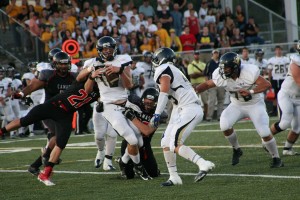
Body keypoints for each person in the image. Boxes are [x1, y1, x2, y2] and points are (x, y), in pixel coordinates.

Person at [1, 80, 99, 186]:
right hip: (52, 105)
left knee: (61, 143)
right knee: (25, 121)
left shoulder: (103, 90)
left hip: (66, 115)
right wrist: (22, 94)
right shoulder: (78, 78)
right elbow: (35, 84)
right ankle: (2, 131)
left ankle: (45, 173)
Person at [195, 52, 283, 168]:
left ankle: (276, 158)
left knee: (265, 133)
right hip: (236, 104)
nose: (223, 70)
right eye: (222, 67)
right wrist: (195, 91)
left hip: (254, 104)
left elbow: (266, 84)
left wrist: (251, 91)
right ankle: (237, 149)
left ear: (235, 67)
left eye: (226, 68)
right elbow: (207, 84)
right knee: (224, 125)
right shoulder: (221, 76)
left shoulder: (249, 72)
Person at [81, 36, 151, 180]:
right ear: (99, 50)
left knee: (140, 140)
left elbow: (129, 85)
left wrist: (120, 70)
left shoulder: (122, 60)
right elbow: (86, 90)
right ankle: (139, 167)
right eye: (105, 48)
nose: (108, 51)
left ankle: (123, 161)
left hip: (126, 103)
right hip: (109, 106)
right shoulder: (92, 63)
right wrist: (91, 76)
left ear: (115, 48)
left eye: (110, 48)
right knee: (131, 139)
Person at [150, 47, 215, 186]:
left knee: (175, 143)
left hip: (189, 107)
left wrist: (157, 113)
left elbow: (164, 90)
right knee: (165, 142)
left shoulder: (164, 68)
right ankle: (174, 177)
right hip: (179, 107)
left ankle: (203, 164)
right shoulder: (174, 69)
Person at [19, 50, 77, 176]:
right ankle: (45, 157)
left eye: (65, 63)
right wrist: (23, 94)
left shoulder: (72, 76)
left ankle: (35, 165)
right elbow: (33, 85)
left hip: (62, 112)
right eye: (60, 63)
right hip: (48, 110)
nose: (63, 66)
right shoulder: (46, 73)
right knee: (56, 138)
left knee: (55, 142)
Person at [118, 87, 160, 179]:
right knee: (129, 176)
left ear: (156, 104)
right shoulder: (133, 101)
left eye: (151, 103)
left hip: (145, 144)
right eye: (146, 102)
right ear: (142, 99)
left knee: (153, 173)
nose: (148, 105)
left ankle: (125, 161)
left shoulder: (158, 113)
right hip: (130, 143)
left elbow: (147, 131)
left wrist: (132, 118)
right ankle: (124, 161)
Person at [270, 41, 300, 156]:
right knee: (284, 123)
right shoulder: (296, 61)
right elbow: (298, 82)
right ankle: (266, 138)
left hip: (298, 98)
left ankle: (287, 149)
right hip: (287, 95)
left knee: (297, 128)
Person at [267, 45, 290, 116]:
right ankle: (275, 110)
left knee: (284, 95)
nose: (278, 51)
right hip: (274, 79)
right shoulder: (271, 60)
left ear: (281, 50)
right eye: (277, 50)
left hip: (283, 79)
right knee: (274, 96)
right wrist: (269, 81)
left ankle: (284, 109)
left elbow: (288, 70)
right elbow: (270, 71)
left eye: (279, 50)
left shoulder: (286, 59)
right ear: (275, 51)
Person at [203, 49, 225, 121]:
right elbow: (206, 74)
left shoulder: (221, 63)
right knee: (211, 100)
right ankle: (209, 116)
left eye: (217, 53)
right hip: (213, 84)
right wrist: (208, 84)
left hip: (221, 83)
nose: (216, 54)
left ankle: (220, 116)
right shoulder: (209, 63)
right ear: (212, 54)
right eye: (215, 53)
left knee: (221, 100)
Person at [188, 51, 208, 119]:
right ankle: (194, 116)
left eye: (198, 55)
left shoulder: (203, 64)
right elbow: (192, 76)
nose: (197, 56)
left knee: (205, 101)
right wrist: (201, 73)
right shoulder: (190, 65)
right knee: (194, 101)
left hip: (202, 84)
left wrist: (196, 73)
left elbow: (205, 73)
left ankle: (206, 116)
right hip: (194, 85)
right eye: (195, 55)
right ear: (194, 56)